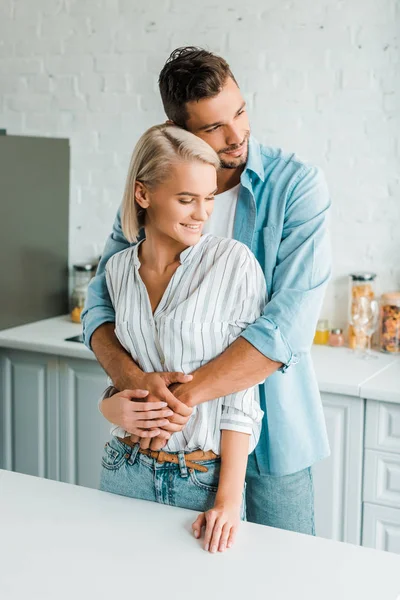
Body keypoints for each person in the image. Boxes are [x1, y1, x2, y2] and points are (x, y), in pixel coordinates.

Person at [82, 47, 332, 536]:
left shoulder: (297, 186)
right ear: (178, 130)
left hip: (270, 432)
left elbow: (286, 330)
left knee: (286, 577)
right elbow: (102, 299)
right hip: (174, 448)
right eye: (214, 127)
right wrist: (132, 384)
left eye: (239, 111)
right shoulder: (155, 192)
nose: (237, 135)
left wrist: (180, 400)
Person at [100, 123, 266, 554]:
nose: (202, 213)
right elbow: (125, 373)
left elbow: (242, 396)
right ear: (143, 194)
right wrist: (109, 406)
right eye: (186, 199)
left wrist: (228, 501)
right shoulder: (116, 272)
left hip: (201, 481)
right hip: (125, 468)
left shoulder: (233, 263)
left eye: (209, 198)